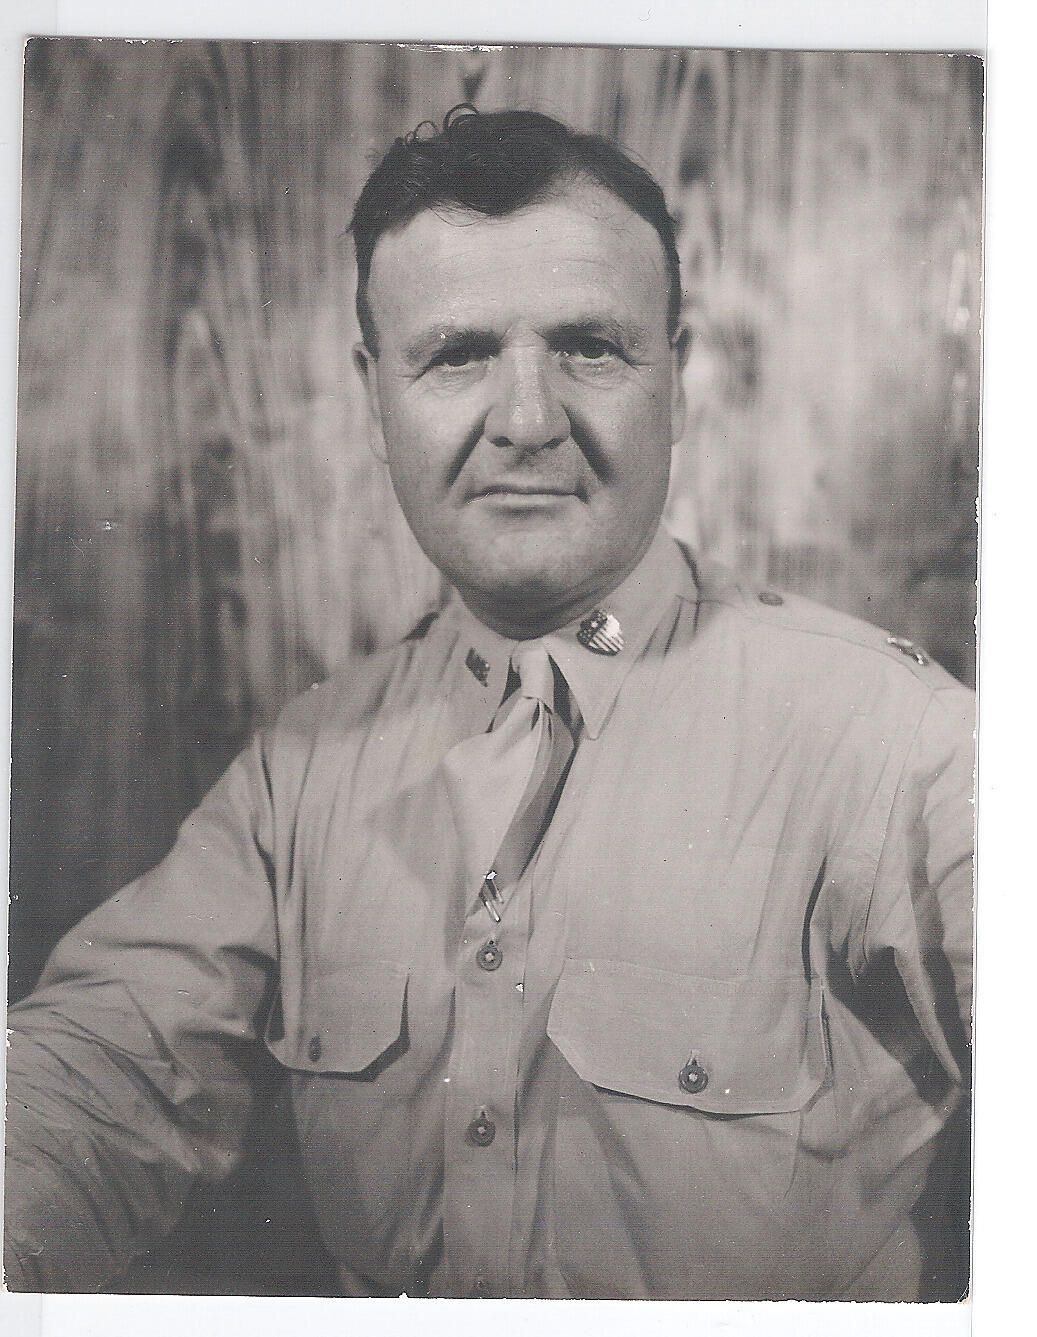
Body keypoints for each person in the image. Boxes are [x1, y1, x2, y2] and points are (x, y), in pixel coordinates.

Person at [4, 105, 974, 1301]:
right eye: (457, 353)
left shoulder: (896, 741)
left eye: (590, 348)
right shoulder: (299, 771)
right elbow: (97, 1075)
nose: (525, 420)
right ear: (375, 394)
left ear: (676, 381)